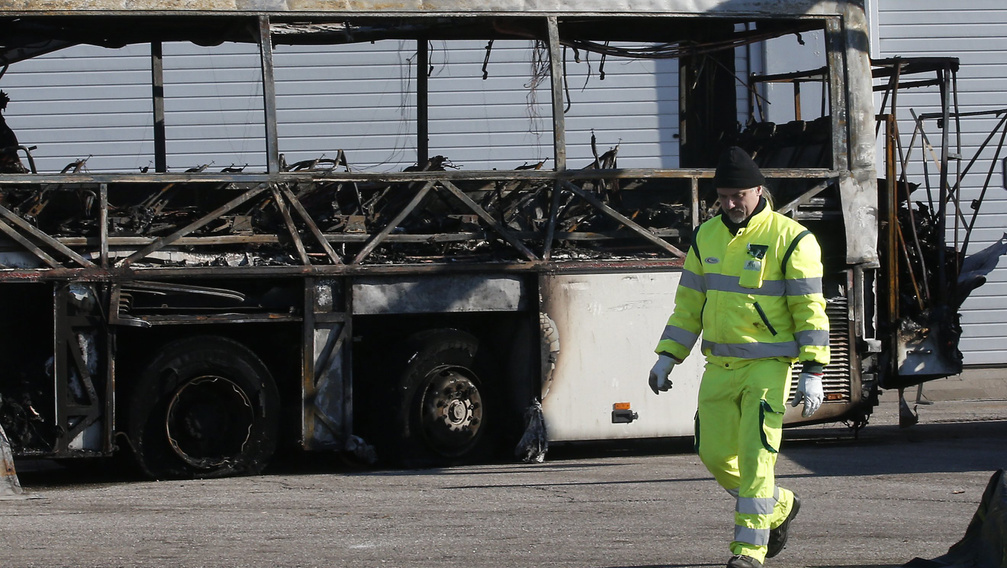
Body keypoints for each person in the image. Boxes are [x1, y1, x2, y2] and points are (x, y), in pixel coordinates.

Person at [648, 146, 830, 568]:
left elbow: (810, 310)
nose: (731, 204)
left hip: (768, 368)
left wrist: (813, 369)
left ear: (760, 191)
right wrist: (667, 356)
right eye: (724, 196)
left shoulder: (792, 239)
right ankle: (779, 505)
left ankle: (749, 552)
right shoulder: (706, 236)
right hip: (720, 366)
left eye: (739, 196)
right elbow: (688, 304)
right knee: (713, 454)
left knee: (756, 458)